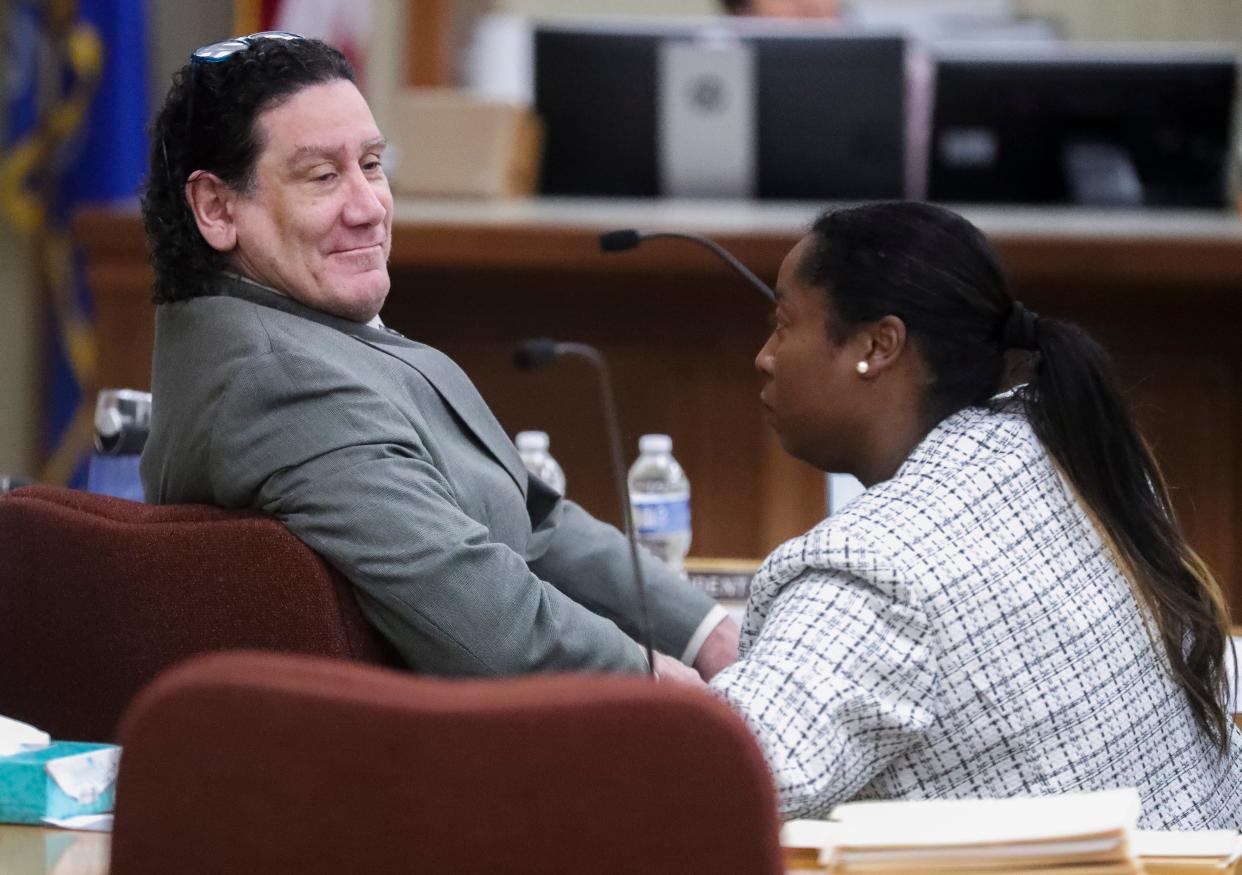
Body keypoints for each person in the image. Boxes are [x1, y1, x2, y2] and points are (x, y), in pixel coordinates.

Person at [138, 33, 736, 681]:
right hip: (439, 759)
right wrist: (663, 684)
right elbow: (492, 628)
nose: (370, 207)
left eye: (371, 164)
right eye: (322, 176)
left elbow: (536, 519)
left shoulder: (301, 330)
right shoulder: (282, 381)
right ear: (217, 208)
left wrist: (707, 633)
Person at [700, 202, 1242, 826]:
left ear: (878, 346)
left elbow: (705, 789)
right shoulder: (1064, 446)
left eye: (784, 322)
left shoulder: (876, 574)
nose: (765, 356)